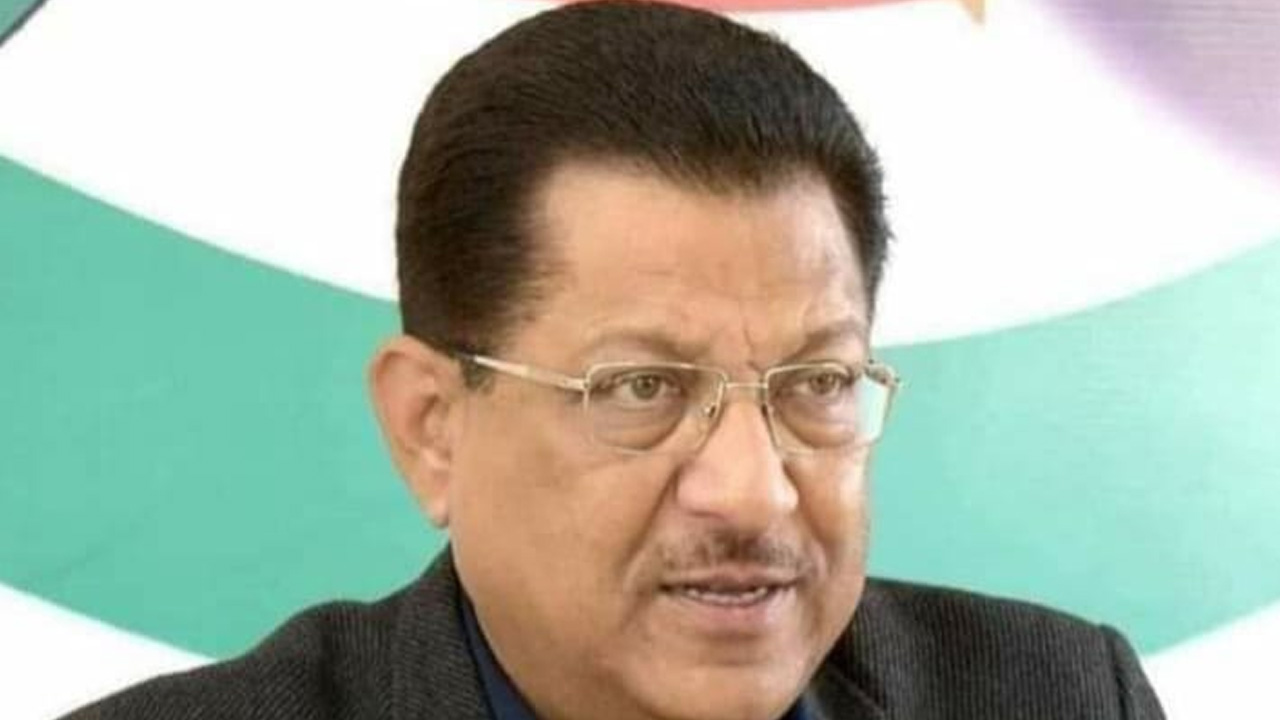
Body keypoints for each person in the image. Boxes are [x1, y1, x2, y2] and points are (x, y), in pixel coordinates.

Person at [65, 2, 1164, 718]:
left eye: (815, 385)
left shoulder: (1062, 697)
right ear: (431, 428)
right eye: (643, 389)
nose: (754, 491)